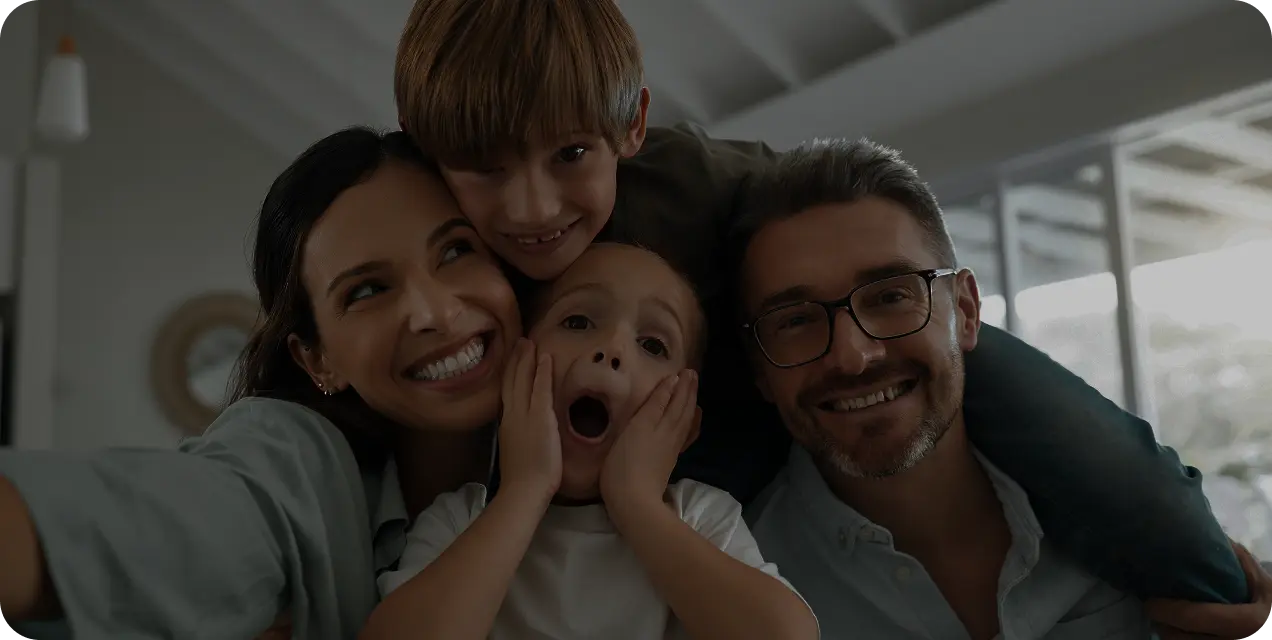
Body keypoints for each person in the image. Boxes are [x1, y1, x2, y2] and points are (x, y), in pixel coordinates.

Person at [393, 0, 1247, 609]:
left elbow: (851, 229)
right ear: (433, 162)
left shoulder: (703, 183)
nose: (534, 209)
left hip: (811, 331)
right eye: (487, 170)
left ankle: (1227, 594)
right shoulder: (438, 241)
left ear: (631, 127)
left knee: (1112, 472)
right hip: (681, 411)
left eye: (571, 154)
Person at [733, 139, 1272, 639]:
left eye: (891, 296)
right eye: (795, 320)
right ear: (758, 368)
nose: (852, 355)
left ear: (965, 311)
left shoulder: (1143, 535)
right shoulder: (730, 588)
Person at [0, 128, 522, 638]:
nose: (434, 312)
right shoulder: (296, 467)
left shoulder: (594, 417)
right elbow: (166, 527)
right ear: (317, 360)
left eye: (455, 251)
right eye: (366, 291)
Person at [363, 243, 818, 639]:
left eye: (653, 345)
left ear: (682, 426)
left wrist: (635, 503)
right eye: (578, 322)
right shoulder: (462, 520)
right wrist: (525, 488)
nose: (612, 349)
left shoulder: (698, 517)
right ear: (514, 372)